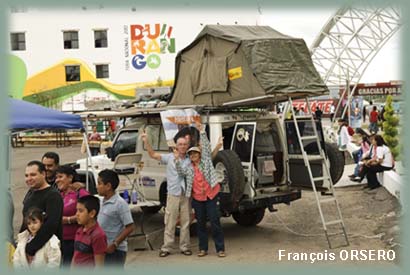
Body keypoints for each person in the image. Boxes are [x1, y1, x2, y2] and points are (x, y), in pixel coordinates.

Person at [175, 122, 226, 258]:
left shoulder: (206, 162)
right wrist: (176, 160)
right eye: (191, 154)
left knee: (215, 222)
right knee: (201, 224)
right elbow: (180, 172)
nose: (193, 155)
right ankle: (203, 249)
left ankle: (220, 249)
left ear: (199, 154)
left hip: (211, 195)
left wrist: (202, 131)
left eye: (195, 153)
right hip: (198, 199)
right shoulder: (189, 168)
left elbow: (207, 147)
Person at [141, 130, 192, 257]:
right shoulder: (169, 157)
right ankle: (167, 247)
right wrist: (146, 141)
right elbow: (152, 154)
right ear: (176, 146)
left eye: (185, 144)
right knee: (170, 221)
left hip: (185, 194)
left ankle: (185, 247)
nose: (183, 146)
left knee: (185, 222)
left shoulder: (190, 159)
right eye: (180, 144)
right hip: (173, 194)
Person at [20, 161, 63, 265]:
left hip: (47, 251)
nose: (29, 178)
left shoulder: (53, 196)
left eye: (33, 175)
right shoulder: (31, 193)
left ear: (43, 174)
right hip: (28, 249)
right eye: (26, 175)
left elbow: (51, 225)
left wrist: (31, 248)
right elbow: (26, 221)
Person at [96, 169, 135, 267]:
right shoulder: (101, 201)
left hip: (115, 251)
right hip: (101, 248)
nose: (97, 187)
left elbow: (130, 227)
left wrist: (115, 244)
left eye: (99, 183)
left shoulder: (120, 204)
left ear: (108, 186)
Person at [55, 165, 90, 266]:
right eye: (56, 177)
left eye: (60, 176)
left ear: (70, 178)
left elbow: (90, 212)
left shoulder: (80, 193)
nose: (57, 180)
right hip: (60, 241)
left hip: (77, 241)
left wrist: (68, 220)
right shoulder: (58, 194)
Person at [72, 195, 107, 267]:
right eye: (77, 210)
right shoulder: (79, 230)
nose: (77, 214)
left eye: (81, 211)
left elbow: (99, 266)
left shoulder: (98, 235)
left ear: (92, 213)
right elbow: (75, 256)